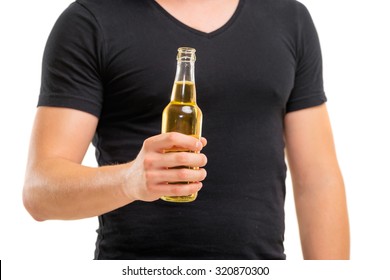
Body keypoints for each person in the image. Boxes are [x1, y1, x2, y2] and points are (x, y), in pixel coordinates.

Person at [23, 0, 350, 259]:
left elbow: (317, 180)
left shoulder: (289, 18)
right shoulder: (89, 21)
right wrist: (129, 180)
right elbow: (40, 191)